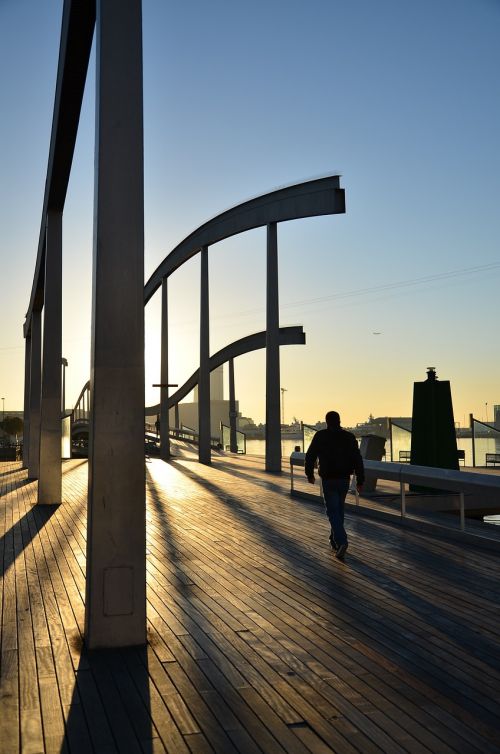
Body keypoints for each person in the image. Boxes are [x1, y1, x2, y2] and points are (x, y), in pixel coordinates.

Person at [305, 410, 364, 560]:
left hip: (329, 479)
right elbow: (358, 459)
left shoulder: (321, 436)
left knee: (332, 511)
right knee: (339, 510)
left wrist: (309, 474)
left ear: (327, 422)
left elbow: (310, 455)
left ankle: (342, 541)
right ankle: (334, 540)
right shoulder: (349, 437)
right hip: (344, 479)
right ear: (339, 421)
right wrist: (360, 480)